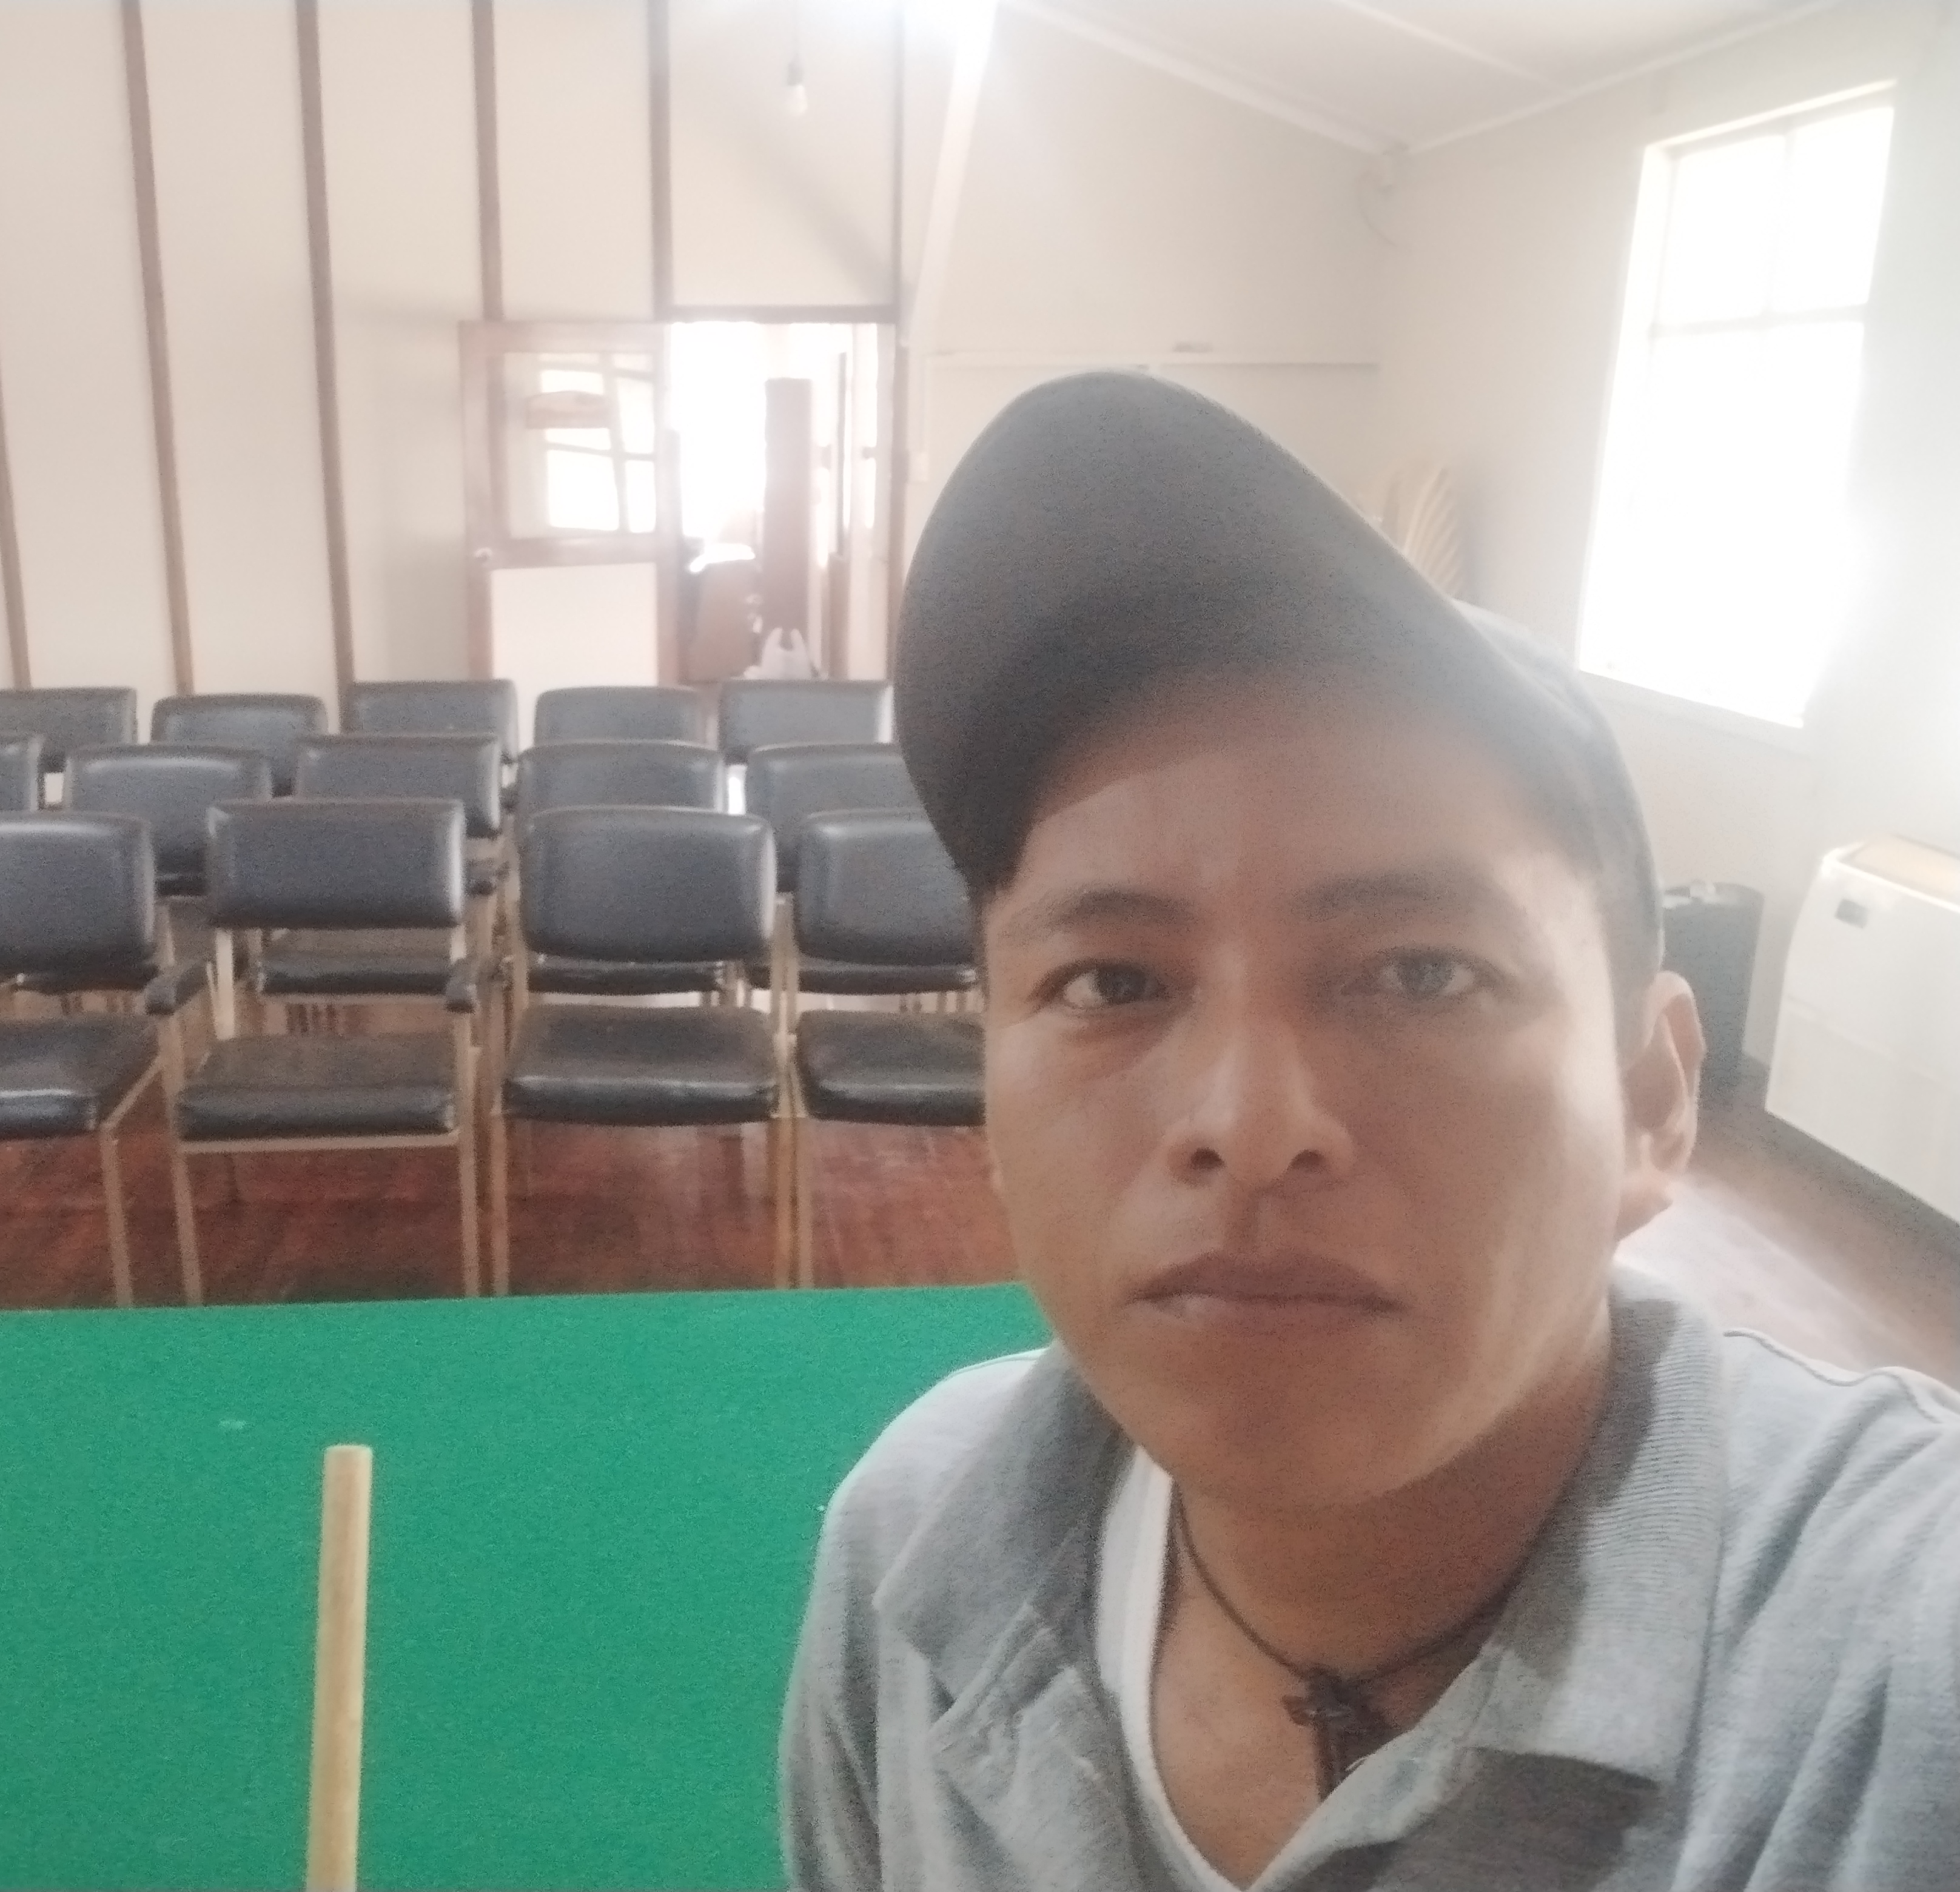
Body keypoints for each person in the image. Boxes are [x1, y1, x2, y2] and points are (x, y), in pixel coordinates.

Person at [779, 373, 1960, 1891]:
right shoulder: (917, 1546)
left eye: (1418, 975)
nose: (1247, 1126)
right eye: (1113, 983)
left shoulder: (1898, 1661)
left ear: (1653, 1099)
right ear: (995, 1103)